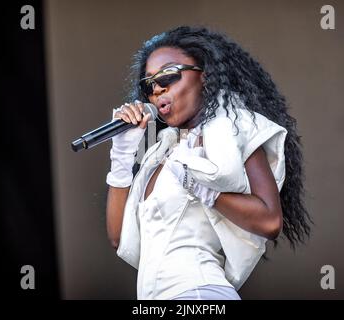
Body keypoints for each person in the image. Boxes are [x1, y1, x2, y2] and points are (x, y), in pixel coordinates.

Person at [105, 26, 311, 300]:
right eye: (148, 84)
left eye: (168, 75)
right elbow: (119, 237)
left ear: (205, 77)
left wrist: (206, 191)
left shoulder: (233, 129)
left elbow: (270, 221)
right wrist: (121, 156)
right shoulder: (159, 156)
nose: (157, 88)